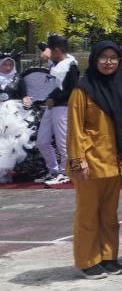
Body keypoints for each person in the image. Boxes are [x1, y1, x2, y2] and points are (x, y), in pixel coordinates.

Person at [65, 42, 122, 279]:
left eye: (113, 57)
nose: (108, 62)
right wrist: (78, 161)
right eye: (103, 57)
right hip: (91, 162)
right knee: (87, 215)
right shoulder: (82, 91)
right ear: (94, 60)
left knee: (109, 215)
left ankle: (108, 256)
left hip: (115, 162)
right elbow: (74, 129)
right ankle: (88, 260)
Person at [36, 34, 79, 186]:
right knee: (42, 141)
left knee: (63, 142)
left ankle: (65, 172)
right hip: (51, 106)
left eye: (51, 50)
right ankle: (53, 170)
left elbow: (73, 89)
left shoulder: (71, 65)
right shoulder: (55, 63)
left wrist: (55, 98)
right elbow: (43, 48)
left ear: (57, 50)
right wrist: (45, 48)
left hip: (63, 106)